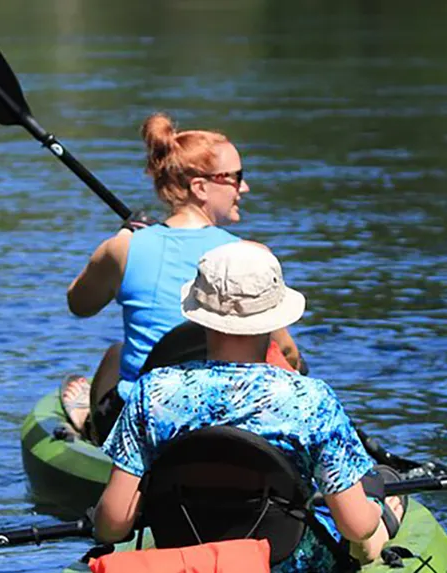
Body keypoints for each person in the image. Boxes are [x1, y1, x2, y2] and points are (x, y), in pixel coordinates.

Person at [93, 242, 405, 571]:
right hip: (285, 565)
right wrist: (374, 510)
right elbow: (355, 526)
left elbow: (112, 525)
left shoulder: (152, 393)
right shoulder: (311, 400)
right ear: (275, 315)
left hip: (186, 562)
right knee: (367, 526)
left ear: (200, 312)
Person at [63, 112, 305, 444]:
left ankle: (93, 427)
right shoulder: (251, 256)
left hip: (148, 420)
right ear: (200, 187)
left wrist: (123, 238)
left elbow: (79, 303)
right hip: (232, 417)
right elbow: (287, 352)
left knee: (116, 353)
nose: (244, 187)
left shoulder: (124, 248)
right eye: (236, 177)